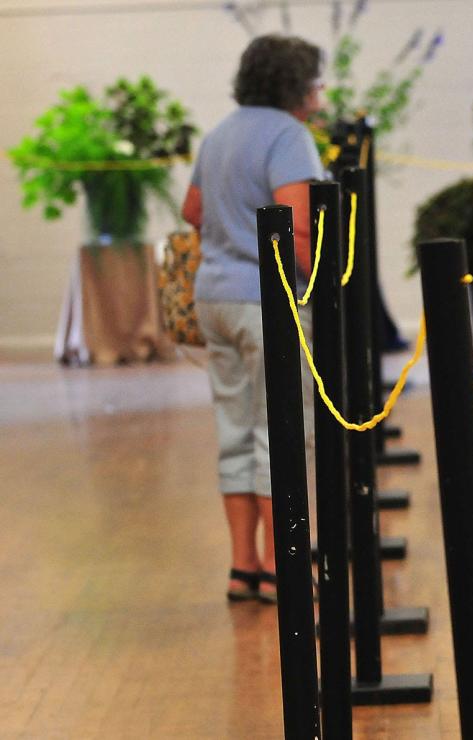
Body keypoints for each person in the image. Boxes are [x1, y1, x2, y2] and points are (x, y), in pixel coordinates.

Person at [181, 35, 323, 604]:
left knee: (235, 431)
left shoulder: (220, 132)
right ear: (294, 84)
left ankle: (242, 567)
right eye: (314, 79)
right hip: (266, 298)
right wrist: (319, 280)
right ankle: (280, 567)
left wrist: (228, 238)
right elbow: (298, 224)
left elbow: (192, 209)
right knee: (282, 431)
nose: (321, 91)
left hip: (213, 296)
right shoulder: (289, 135)